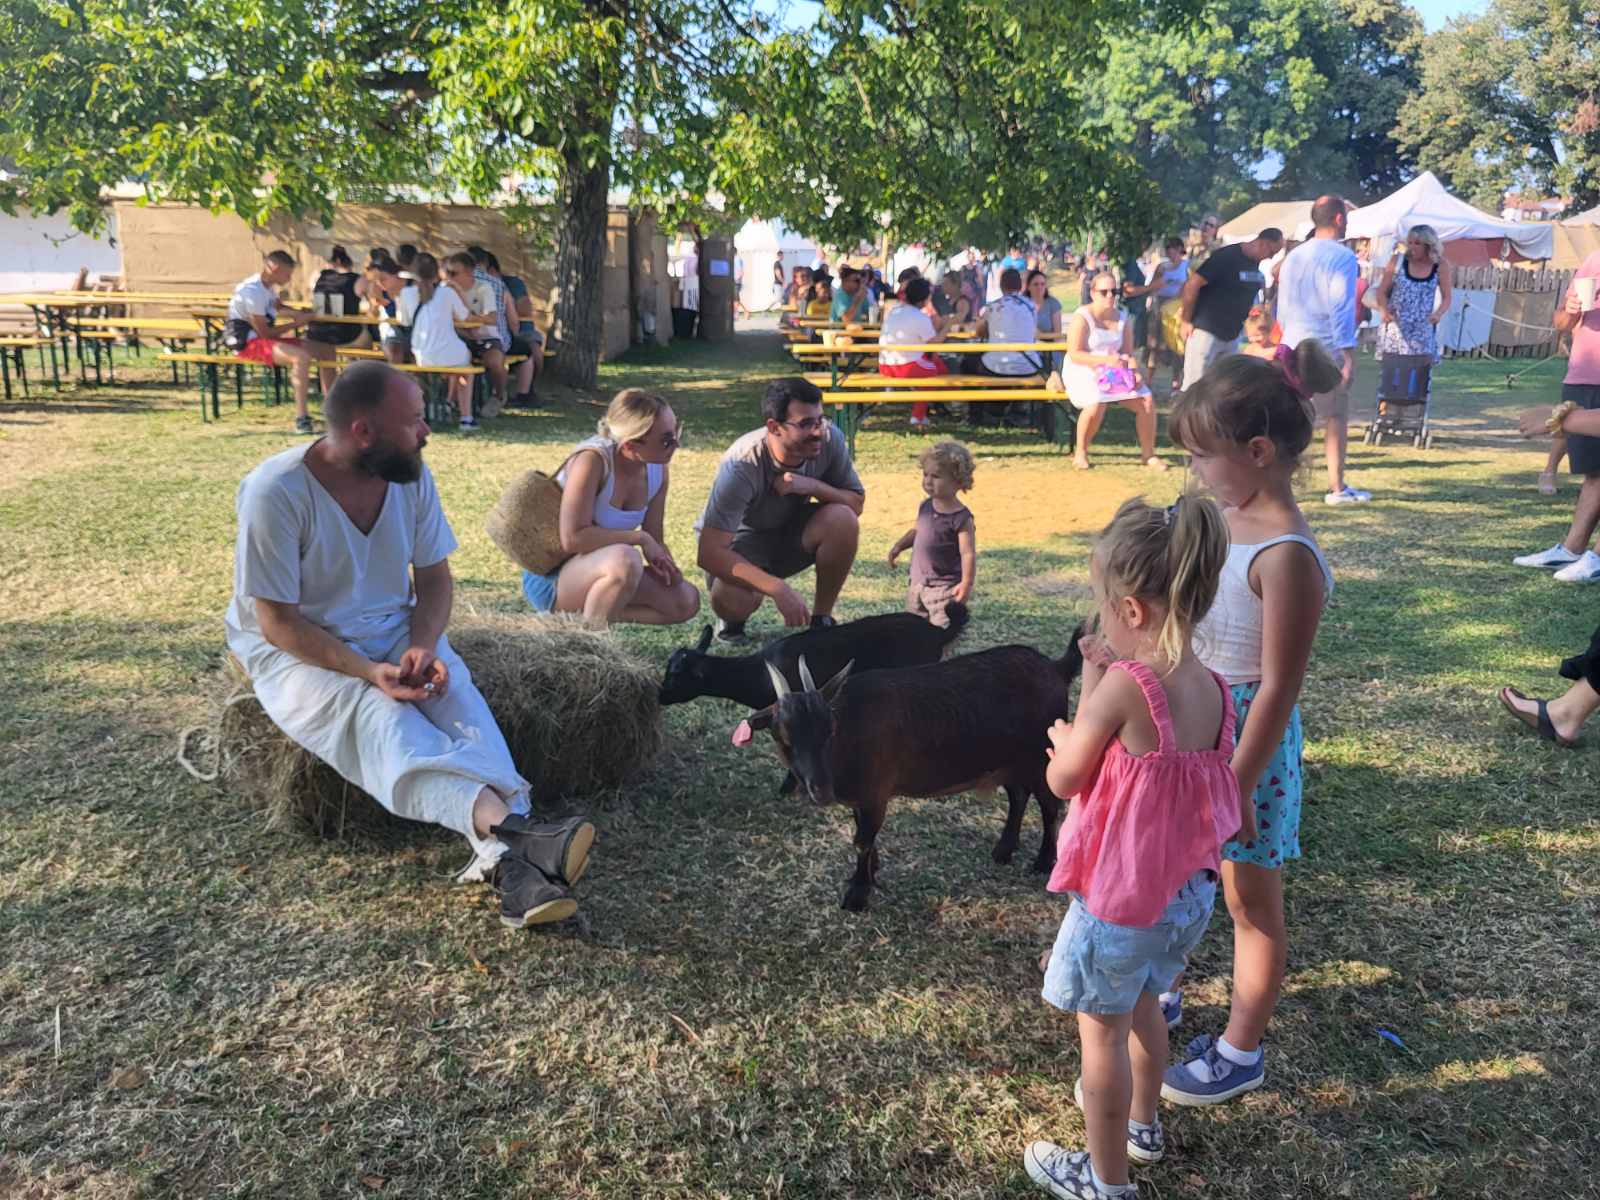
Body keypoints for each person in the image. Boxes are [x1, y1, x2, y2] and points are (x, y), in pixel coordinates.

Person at [224, 361, 596, 929]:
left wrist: (423, 646)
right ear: (364, 433)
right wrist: (369, 672)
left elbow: (435, 580)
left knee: (465, 711)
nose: (428, 432)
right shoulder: (275, 493)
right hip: (300, 651)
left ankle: (513, 868)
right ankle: (520, 836)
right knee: (388, 726)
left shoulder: (411, 476)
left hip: (394, 627)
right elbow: (277, 624)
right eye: (416, 421)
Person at [1024, 495, 1239, 1200]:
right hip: (1185, 896)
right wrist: (1094, 673)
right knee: (1145, 1001)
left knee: (1102, 1037)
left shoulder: (1129, 683)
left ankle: (1105, 1180)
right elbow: (1142, 749)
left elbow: (1066, 777)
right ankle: (1144, 1125)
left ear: (1134, 611)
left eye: (1105, 605)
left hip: (1122, 903)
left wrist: (1061, 742)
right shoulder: (1213, 689)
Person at [1154, 342, 1340, 1108]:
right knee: (1174, 869)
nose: (1196, 471)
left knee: (1248, 902)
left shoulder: (1288, 555)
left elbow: (1277, 689)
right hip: (1191, 728)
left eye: (1204, 456)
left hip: (1246, 752)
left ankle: (1240, 1050)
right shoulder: (1223, 519)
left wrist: (1231, 786)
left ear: (1257, 452)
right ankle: (1160, 982)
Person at [696, 377, 865, 641]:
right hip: (743, 541)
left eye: (820, 419)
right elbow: (708, 553)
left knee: (843, 519)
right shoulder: (742, 464)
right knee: (732, 600)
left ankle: (821, 622)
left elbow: (855, 504)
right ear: (774, 427)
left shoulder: (828, 439)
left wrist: (810, 485)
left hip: (790, 531)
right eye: (805, 424)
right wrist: (778, 589)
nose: (818, 431)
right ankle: (732, 622)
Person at [521, 389, 700, 627]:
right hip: (553, 576)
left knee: (685, 600)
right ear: (630, 445)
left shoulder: (657, 467)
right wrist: (639, 539)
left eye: (677, 431)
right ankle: (590, 644)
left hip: (605, 569)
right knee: (626, 559)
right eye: (667, 439)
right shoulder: (592, 460)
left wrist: (667, 566)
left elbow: (655, 537)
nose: (676, 444)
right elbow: (573, 538)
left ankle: (583, 618)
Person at [1276, 197, 1366, 505]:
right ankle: (1337, 487)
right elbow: (1341, 306)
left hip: (1291, 341)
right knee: (1335, 416)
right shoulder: (1342, 257)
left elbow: (1282, 306)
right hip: (1324, 345)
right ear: (1339, 219)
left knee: (1291, 416)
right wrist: (1348, 354)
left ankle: (1281, 483)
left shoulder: (1293, 256)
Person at [1515, 301, 1600, 581]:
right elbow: (1563, 320)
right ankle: (1574, 551)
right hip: (1586, 373)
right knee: (1595, 471)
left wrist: (1559, 419)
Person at [224, 250, 335, 435]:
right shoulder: (252, 291)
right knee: (301, 357)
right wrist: (297, 322)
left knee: (326, 350)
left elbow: (278, 307)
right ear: (274, 268)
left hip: (265, 339)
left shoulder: (268, 286)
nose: (290, 278)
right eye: (287, 274)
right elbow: (264, 333)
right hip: (247, 342)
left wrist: (302, 313)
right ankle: (302, 418)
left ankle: (331, 409)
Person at [1064, 273, 1163, 472]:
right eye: (1104, 292)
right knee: (1096, 401)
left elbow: (1127, 353)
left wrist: (1135, 373)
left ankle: (1148, 454)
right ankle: (1081, 452)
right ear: (1093, 293)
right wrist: (1106, 361)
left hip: (1114, 371)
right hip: (1083, 370)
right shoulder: (1082, 317)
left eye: (1114, 291)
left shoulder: (1123, 317)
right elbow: (1075, 354)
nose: (1110, 296)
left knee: (1146, 400)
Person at [1178, 229, 1284, 390]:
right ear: (1262, 242)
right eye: (1272, 252)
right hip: (1206, 330)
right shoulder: (1227, 256)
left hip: (1232, 335)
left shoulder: (1256, 265)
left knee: (1223, 387)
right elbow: (1192, 285)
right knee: (1194, 386)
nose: (1271, 257)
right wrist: (1186, 320)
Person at [886, 441, 975, 627]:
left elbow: (968, 553)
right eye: (925, 474)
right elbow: (918, 530)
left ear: (958, 481)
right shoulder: (926, 506)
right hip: (917, 584)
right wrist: (899, 546)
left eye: (936, 476)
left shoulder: (961, 518)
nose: (928, 480)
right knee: (914, 632)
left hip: (944, 590)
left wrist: (966, 584)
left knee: (942, 635)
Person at [399, 253, 477, 431]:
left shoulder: (406, 293)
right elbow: (465, 316)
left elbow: (404, 321)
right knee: (466, 368)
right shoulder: (447, 292)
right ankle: (466, 416)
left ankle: (432, 409)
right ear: (436, 273)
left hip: (421, 354)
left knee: (445, 365)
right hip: (449, 352)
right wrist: (458, 290)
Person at [1374, 225, 1453, 372]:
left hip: (1422, 331)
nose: (1412, 247)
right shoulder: (1397, 261)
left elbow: (1447, 298)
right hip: (1395, 329)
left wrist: (1438, 314)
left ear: (1428, 245)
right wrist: (1384, 311)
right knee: (1391, 381)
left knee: (1418, 381)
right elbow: (1381, 291)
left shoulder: (1440, 266)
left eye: (1417, 243)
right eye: (1410, 242)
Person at [879, 277, 951, 429]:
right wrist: (948, 326)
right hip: (905, 366)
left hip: (885, 365)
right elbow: (934, 344)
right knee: (934, 372)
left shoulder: (895, 311)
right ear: (924, 298)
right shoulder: (919, 316)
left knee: (934, 364)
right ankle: (918, 415)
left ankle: (929, 406)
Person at [477, 249, 545, 409]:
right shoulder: (498, 286)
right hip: (501, 336)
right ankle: (519, 393)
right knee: (524, 349)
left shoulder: (512, 283)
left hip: (518, 330)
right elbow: (513, 321)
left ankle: (525, 392)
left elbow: (525, 311)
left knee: (532, 347)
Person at [450, 251, 511, 418]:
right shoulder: (448, 290)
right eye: (448, 273)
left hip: (485, 336)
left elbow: (492, 318)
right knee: (453, 359)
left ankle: (498, 395)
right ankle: (454, 402)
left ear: (469, 273)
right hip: (461, 336)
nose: (450, 277)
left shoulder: (483, 289)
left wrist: (471, 319)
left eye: (454, 273)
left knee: (495, 362)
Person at [308, 245, 371, 352]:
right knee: (368, 340)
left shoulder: (317, 276)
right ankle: (362, 367)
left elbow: (314, 300)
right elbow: (372, 304)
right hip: (346, 336)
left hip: (317, 334)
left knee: (328, 355)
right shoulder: (358, 279)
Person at [364, 250, 412, 366]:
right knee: (394, 352)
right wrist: (375, 302)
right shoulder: (378, 289)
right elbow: (372, 316)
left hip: (414, 329)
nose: (380, 283)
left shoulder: (411, 286)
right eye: (376, 280)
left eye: (383, 278)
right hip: (393, 330)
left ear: (396, 274)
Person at [1025, 268, 1065, 380]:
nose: (1039, 287)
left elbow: (1058, 334)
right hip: (1027, 347)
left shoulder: (1053, 303)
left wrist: (1040, 335)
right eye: (1036, 284)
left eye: (1042, 284)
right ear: (1028, 286)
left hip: (1048, 348)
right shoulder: (1023, 303)